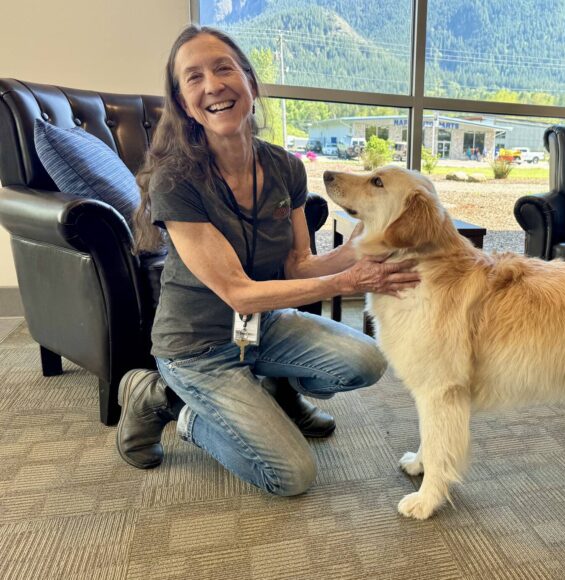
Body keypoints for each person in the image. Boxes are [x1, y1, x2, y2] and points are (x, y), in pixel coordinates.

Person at [117, 25, 419, 496]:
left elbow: (299, 264)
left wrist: (358, 247)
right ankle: (166, 401)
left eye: (223, 68)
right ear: (182, 102)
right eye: (193, 77)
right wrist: (348, 280)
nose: (213, 85)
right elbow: (237, 291)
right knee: (290, 476)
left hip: (263, 326)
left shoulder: (284, 167)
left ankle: (275, 386)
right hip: (197, 347)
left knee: (366, 361)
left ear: (250, 83)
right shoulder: (176, 180)